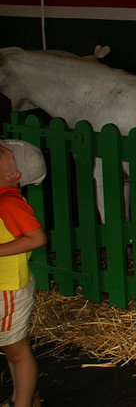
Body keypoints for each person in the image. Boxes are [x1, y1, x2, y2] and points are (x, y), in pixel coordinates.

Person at [0, 139, 48, 407]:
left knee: (16, 352)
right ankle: (25, 397)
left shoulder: (10, 203)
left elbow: (36, 238)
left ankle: (24, 402)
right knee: (10, 349)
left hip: (7, 290)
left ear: (13, 175)